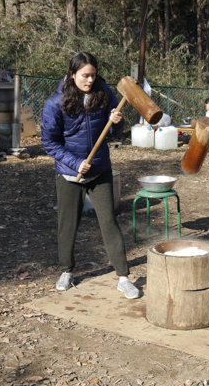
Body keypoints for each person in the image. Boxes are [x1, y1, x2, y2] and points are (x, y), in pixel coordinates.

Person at [41, 52, 141, 299]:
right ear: (72, 74)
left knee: (109, 222)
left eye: (93, 75)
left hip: (99, 170)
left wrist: (117, 121)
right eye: (85, 75)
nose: (89, 80)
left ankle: (123, 278)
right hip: (69, 174)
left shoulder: (104, 93)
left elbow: (115, 131)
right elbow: (49, 143)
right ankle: (66, 271)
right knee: (68, 225)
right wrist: (75, 164)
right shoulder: (55, 103)